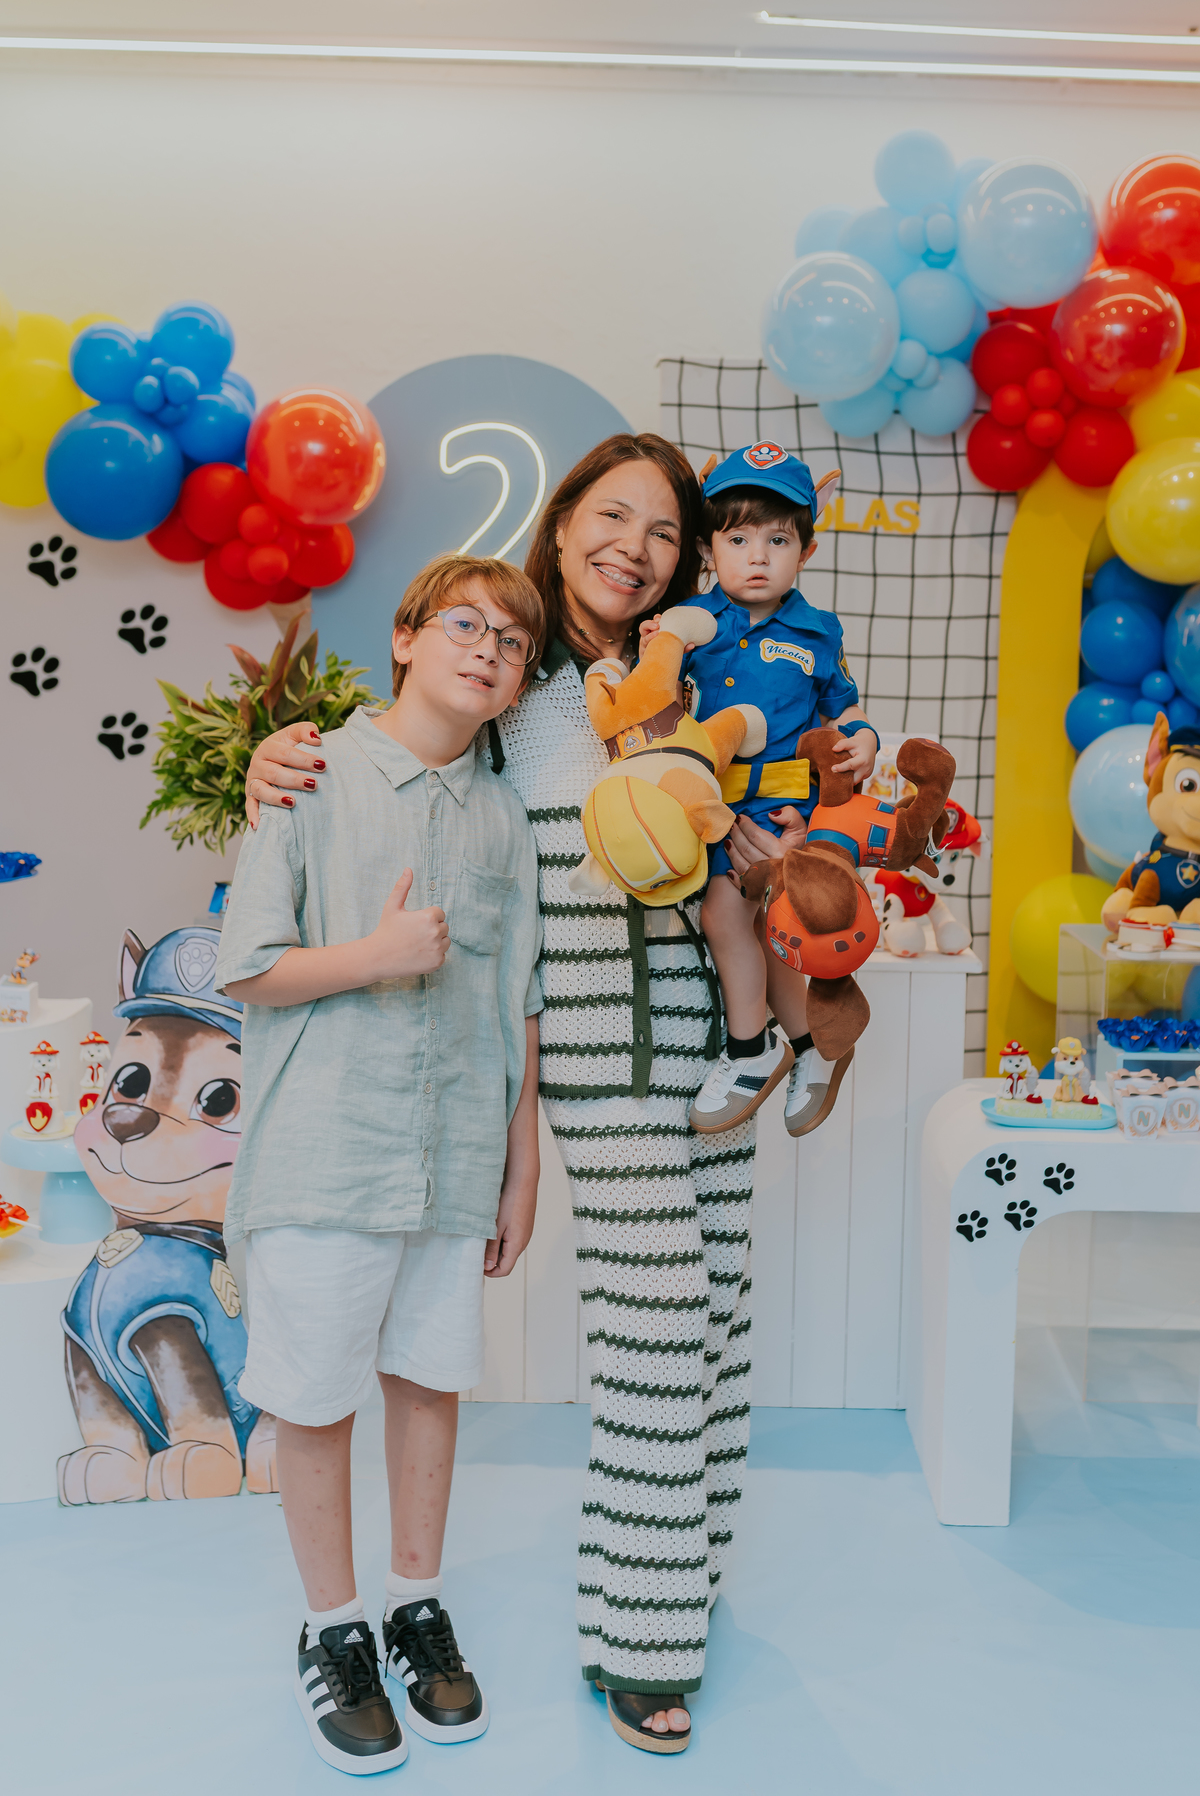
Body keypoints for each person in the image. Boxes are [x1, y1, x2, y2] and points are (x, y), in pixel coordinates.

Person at [244, 434, 810, 1756]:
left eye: (665, 530)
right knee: (656, 1332)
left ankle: (684, 1584)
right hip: (601, 1055)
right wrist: (285, 756)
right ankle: (641, 1646)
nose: (637, 546)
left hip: (712, 1042)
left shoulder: (687, 666)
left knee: (718, 1320)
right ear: (560, 529)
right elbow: (398, 745)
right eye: (611, 517)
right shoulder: (513, 678)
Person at [216, 554, 545, 1776]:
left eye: (512, 644)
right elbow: (248, 963)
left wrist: (520, 1170)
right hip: (328, 1149)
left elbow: (518, 1005)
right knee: (314, 1394)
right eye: (465, 625)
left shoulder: (508, 819)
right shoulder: (312, 776)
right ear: (405, 638)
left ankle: (416, 1602)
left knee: (430, 1379)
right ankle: (333, 1628)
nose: (487, 652)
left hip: (457, 1152)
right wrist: (375, 953)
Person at [670, 442, 879, 1139]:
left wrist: (866, 739)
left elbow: (843, 709)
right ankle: (791, 1046)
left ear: (806, 552)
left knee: (761, 924)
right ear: (709, 548)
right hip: (709, 806)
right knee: (733, 921)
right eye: (737, 538)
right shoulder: (692, 625)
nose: (757, 556)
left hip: (785, 809)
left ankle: (770, 1046)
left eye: (778, 539)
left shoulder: (818, 633)